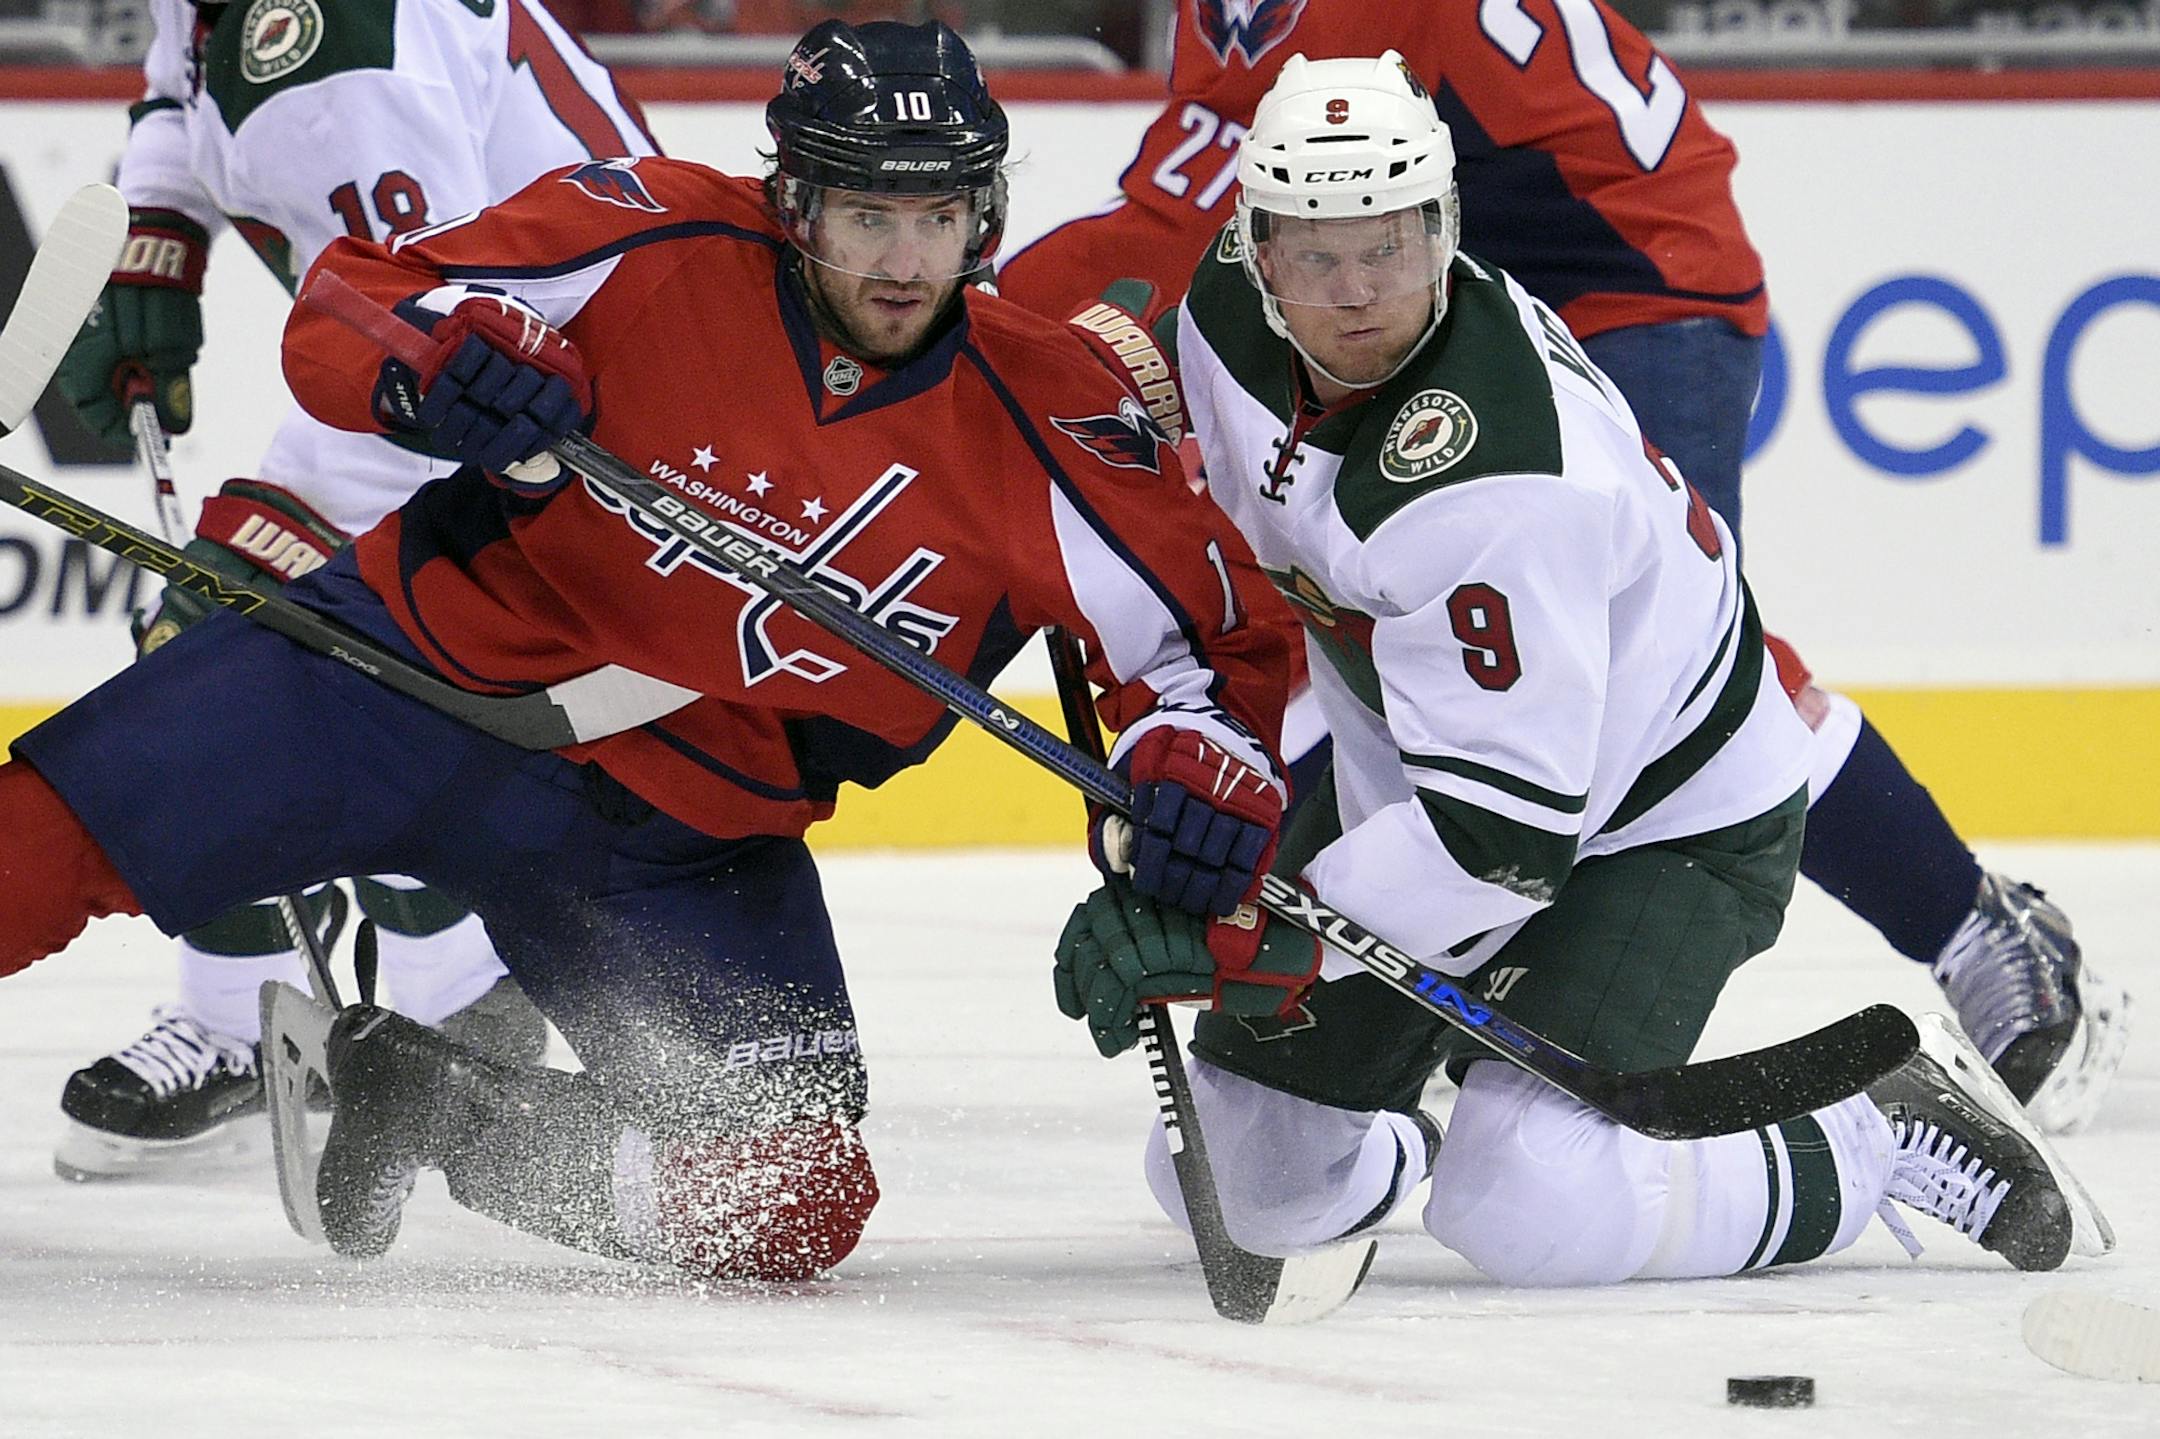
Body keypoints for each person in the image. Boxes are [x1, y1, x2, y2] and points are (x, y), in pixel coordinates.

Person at [0, 19, 1294, 1282]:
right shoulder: (647, 234)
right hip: (402, 683)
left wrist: (1193, 776)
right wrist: (436, 361)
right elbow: (362, 300)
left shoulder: (1043, 412)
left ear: (984, 216)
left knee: (788, 1190)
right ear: (794, 201)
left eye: (938, 217)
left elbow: (1207, 658)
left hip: (676, 842)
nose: (906, 262)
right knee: (34, 843)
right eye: (866, 217)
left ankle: (446, 1108)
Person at [1051, 55, 2105, 1286]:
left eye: (1387, 247)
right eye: (1318, 251)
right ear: (1255, 247)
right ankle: (1413, 1118)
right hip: (1433, 771)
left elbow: (1500, 841)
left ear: (1443, 230)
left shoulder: (1498, 478)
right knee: (1241, 1182)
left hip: (1662, 818)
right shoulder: (1227, 310)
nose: (1355, 294)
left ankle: (1870, 1130)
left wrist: (1241, 934)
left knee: (1528, 1206)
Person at [45, 0, 667, 1178]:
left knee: (261, 658)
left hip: (585, 437)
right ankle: (301, 1009)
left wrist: (305, 602)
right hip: (473, 388)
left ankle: (458, 997)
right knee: (245, 658)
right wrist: (157, 244)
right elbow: (180, 88)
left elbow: (460, 362)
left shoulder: (350, 61)